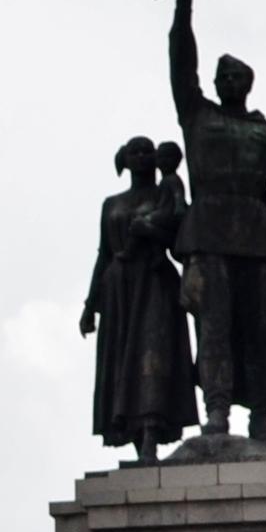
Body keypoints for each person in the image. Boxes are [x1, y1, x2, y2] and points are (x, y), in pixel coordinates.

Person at [162, 0, 266, 448]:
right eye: (224, 77)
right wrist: (184, 1)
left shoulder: (265, 131)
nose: (229, 83)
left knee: (262, 332)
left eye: (238, 77)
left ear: (248, 84)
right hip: (210, 234)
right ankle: (216, 410)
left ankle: (260, 414)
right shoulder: (198, 117)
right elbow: (181, 62)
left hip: (260, 241)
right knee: (214, 330)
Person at [80, 135, 197, 462]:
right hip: (119, 288)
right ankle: (134, 437)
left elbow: (180, 235)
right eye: (136, 151)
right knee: (122, 362)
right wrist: (91, 306)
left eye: (148, 151)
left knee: (153, 355)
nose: (143, 156)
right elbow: (104, 254)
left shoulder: (167, 192)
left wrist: (152, 233)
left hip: (155, 280)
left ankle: (150, 436)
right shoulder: (112, 204)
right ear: (125, 159)